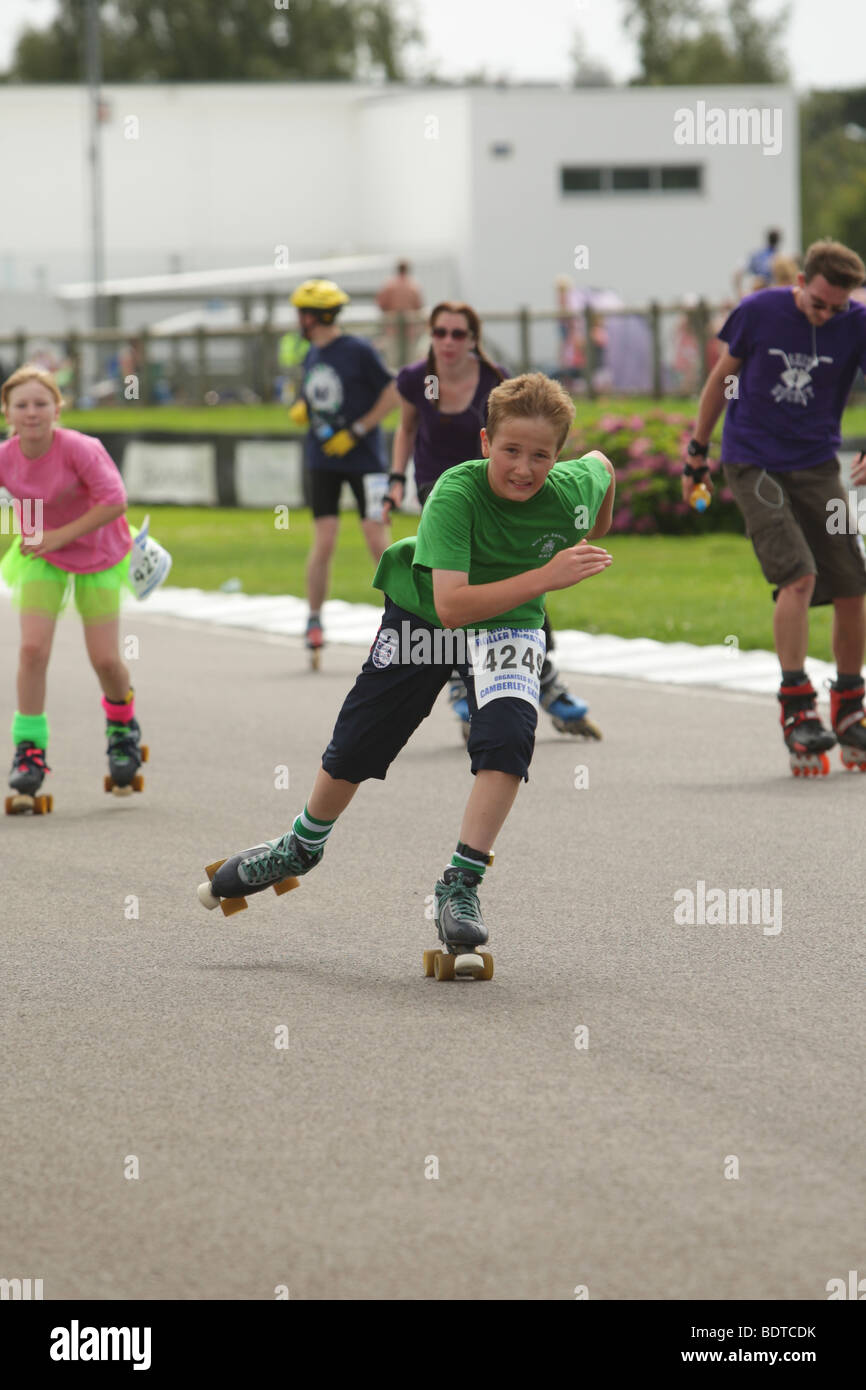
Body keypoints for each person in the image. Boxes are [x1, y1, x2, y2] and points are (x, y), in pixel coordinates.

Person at [198, 374, 615, 974]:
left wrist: (595, 522)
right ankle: (300, 846)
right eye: (511, 451)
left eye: (542, 455)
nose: (524, 468)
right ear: (484, 443)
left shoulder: (574, 482)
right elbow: (453, 607)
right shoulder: (456, 492)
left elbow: (602, 464)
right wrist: (550, 574)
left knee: (507, 740)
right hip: (426, 614)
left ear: (558, 455)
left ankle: (460, 884)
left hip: (509, 626)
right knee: (362, 741)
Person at [682, 239, 866, 776]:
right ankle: (797, 706)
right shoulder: (759, 311)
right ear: (801, 283)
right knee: (799, 576)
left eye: (837, 307)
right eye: (818, 304)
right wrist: (698, 450)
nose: (827, 314)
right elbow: (721, 379)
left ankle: (850, 706)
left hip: (814, 462)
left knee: (853, 582)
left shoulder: (855, 322)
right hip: (753, 461)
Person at [386, 301, 602, 739]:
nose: (448, 342)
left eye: (458, 334)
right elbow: (406, 428)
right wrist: (395, 478)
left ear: (473, 339)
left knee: (521, 580)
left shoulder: (493, 380)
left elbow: (531, 430)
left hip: (501, 491)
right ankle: (463, 684)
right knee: (456, 590)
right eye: (440, 332)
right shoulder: (418, 379)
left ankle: (543, 677)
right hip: (443, 491)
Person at [0, 365, 146, 807]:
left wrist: (59, 536)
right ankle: (29, 751)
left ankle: (122, 728)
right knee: (31, 651)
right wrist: (41, 540)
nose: (31, 413)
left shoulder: (81, 448)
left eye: (41, 404)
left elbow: (115, 501)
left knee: (104, 659)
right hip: (41, 555)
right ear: (7, 412)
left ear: (57, 409)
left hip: (98, 553)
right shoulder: (6, 456)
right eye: (21, 405)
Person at [287, 279, 400, 663]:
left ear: (315, 315)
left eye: (302, 312)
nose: (297, 319)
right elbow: (317, 393)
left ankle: (403, 618)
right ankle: (314, 619)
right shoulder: (310, 354)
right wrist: (303, 405)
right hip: (323, 462)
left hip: (365, 461)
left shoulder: (357, 351)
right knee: (324, 540)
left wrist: (358, 430)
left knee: (376, 538)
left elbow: (393, 391)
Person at [734, 228, 782, 299]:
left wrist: (740, 293)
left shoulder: (756, 255)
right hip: (770, 295)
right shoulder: (780, 257)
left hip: (756, 294)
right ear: (779, 240)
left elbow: (737, 273)